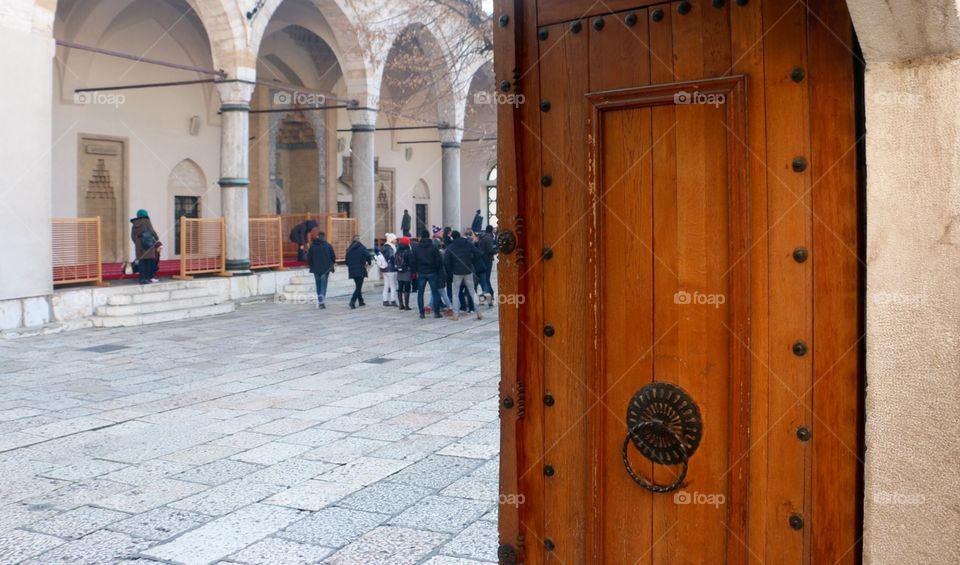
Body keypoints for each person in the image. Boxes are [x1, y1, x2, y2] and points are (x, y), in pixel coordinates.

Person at [444, 230, 483, 321]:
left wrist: (451, 269)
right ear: (460, 235)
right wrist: (471, 262)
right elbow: (478, 253)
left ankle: (456, 315)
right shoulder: (468, 243)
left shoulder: (451, 247)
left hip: (456, 273)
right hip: (468, 270)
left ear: (452, 237)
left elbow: (446, 260)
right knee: (472, 292)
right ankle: (478, 312)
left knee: (455, 293)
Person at [411, 229, 443, 319]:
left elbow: (413, 261)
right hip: (432, 272)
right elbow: (438, 260)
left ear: (421, 236)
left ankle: (422, 313)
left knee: (420, 293)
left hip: (421, 272)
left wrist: (416, 270)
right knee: (435, 292)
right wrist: (437, 269)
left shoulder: (416, 248)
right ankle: (436, 312)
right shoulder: (433, 247)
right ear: (428, 236)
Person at [306, 231, 336, 309]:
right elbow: (333, 257)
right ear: (324, 237)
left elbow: (309, 258)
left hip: (315, 269)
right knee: (323, 286)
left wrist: (311, 264)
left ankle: (320, 300)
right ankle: (321, 302)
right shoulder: (328, 245)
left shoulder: (313, 246)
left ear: (318, 236)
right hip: (325, 270)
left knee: (318, 285)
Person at [130, 209, 160, 284]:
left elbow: (132, 235)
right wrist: (156, 237)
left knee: (142, 262)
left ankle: (142, 279)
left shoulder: (134, 223)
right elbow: (151, 230)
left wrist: (137, 243)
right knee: (149, 261)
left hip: (139, 243)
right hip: (148, 242)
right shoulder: (146, 221)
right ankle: (147, 278)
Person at [345, 235, 371, 309]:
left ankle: (361, 301)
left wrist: (351, 266)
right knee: (358, 287)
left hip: (352, 270)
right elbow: (368, 255)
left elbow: (346, 261)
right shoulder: (362, 248)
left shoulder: (349, 249)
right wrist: (368, 263)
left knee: (358, 286)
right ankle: (352, 301)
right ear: (358, 240)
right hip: (360, 269)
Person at [476, 225, 496, 305]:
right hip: (487, 260)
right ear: (491, 230)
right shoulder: (488, 238)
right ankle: (490, 295)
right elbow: (490, 250)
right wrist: (498, 250)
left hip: (482, 260)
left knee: (484, 279)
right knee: (486, 279)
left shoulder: (482, 236)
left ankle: (487, 294)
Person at [394, 236, 414, 310]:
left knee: (400, 288)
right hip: (407, 272)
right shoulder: (408, 251)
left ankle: (400, 305)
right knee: (407, 288)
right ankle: (406, 306)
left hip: (399, 272)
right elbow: (411, 262)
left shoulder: (398, 250)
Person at [380, 233, 398, 306]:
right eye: (395, 239)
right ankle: (393, 300)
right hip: (391, 269)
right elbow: (391, 257)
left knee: (386, 285)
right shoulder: (391, 247)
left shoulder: (383, 247)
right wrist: (396, 263)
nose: (396, 240)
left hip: (384, 269)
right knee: (393, 285)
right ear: (391, 240)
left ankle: (385, 301)